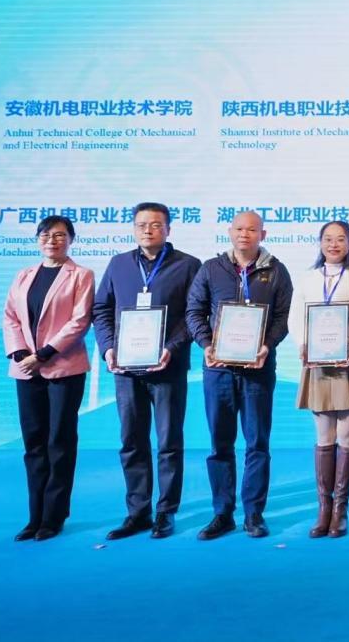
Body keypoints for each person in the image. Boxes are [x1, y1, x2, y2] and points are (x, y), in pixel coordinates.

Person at [92, 202, 201, 541]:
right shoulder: (119, 264)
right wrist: (108, 347)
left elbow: (195, 314)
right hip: (125, 369)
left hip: (168, 367)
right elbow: (102, 308)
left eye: (155, 224)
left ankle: (166, 512)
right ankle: (137, 512)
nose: (148, 230)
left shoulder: (188, 265)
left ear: (168, 229)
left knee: (168, 442)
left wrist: (171, 347)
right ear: (133, 228)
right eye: (141, 225)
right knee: (131, 441)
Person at [186, 210, 293, 540]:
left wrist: (267, 346)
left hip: (257, 370)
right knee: (220, 443)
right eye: (239, 229)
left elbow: (284, 316)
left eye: (252, 230)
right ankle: (222, 513)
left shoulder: (276, 271)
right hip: (217, 370)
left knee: (257, 443)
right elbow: (194, 311)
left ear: (263, 234)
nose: (245, 234)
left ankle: (253, 513)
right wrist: (206, 344)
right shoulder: (211, 268)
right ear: (229, 232)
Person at [3, 215, 95, 541]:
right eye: (45, 235)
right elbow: (11, 317)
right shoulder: (24, 275)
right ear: (37, 239)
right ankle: (34, 516)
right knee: (33, 442)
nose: (52, 240)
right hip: (26, 369)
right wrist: (20, 354)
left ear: (71, 239)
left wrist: (43, 354)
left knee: (59, 441)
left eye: (59, 235)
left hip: (63, 368)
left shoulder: (81, 275)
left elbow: (79, 321)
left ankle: (53, 517)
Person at [289, 220, 349, 538]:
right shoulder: (308, 278)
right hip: (317, 364)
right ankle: (324, 508)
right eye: (328, 239)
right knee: (324, 436)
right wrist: (304, 345)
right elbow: (295, 318)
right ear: (320, 243)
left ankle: (341, 509)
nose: (333, 244)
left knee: (347, 435)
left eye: (340, 239)